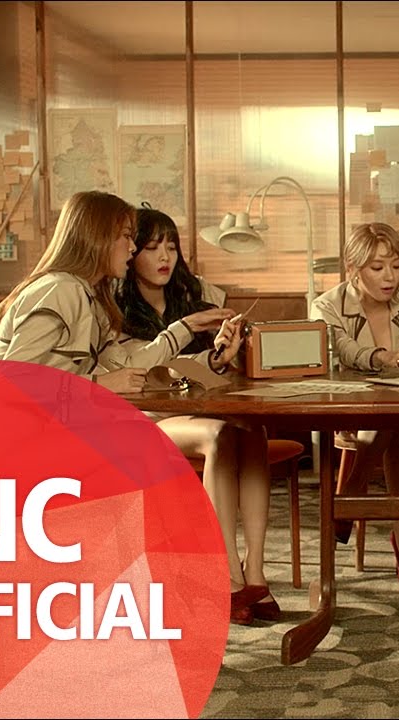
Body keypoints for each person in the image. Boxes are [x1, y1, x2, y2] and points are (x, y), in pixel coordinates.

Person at [102, 206, 284, 626]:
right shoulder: (115, 309)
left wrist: (219, 356)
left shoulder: (189, 300)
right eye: (152, 247)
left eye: (171, 246)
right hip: (144, 419)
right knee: (219, 435)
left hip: (193, 412)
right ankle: (227, 575)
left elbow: (193, 374)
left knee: (251, 428)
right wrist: (187, 332)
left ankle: (255, 572)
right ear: (132, 253)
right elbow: (147, 374)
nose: (164, 256)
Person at [310, 222, 399, 584]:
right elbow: (344, 349)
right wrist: (383, 357)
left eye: (397, 266)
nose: (390, 277)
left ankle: (350, 494)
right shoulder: (327, 305)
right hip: (350, 406)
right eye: (378, 268)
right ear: (353, 269)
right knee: (394, 416)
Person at [0, 190, 148, 395]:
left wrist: (183, 329)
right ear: (98, 237)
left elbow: (127, 365)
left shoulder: (87, 297)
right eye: (126, 236)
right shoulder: (60, 290)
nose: (133, 247)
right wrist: (99, 384)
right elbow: (10, 385)